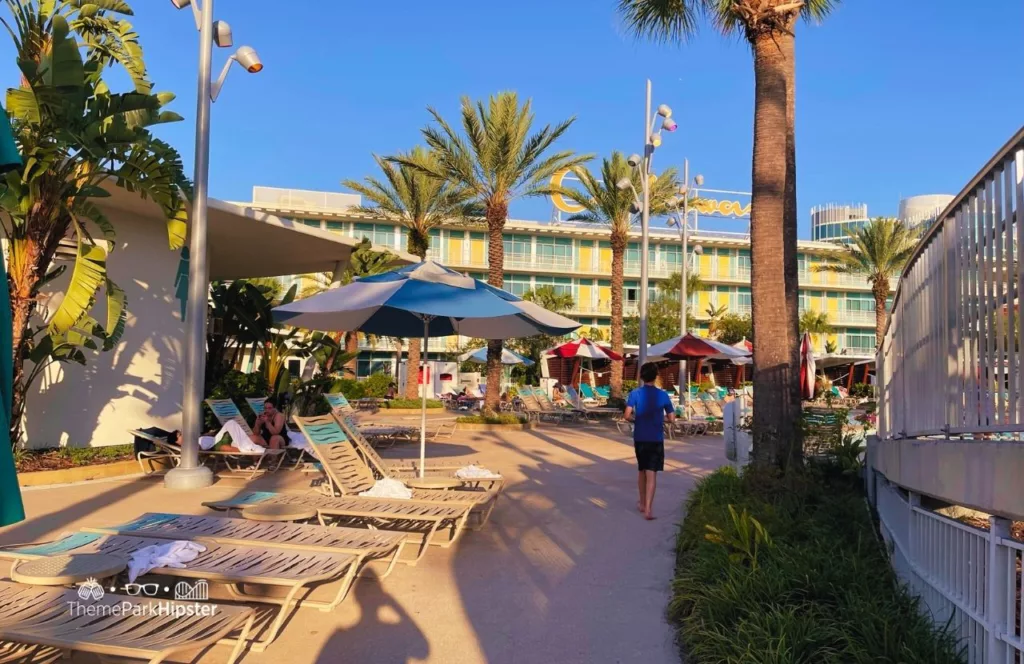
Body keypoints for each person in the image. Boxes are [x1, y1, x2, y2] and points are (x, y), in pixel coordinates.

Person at [624, 362, 675, 520]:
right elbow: (672, 418)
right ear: (656, 376)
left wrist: (636, 420)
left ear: (641, 376)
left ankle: (642, 503)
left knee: (641, 470)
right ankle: (648, 509)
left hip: (640, 437)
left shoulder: (635, 393)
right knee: (651, 473)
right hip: (655, 438)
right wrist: (660, 420)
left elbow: (626, 415)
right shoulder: (663, 395)